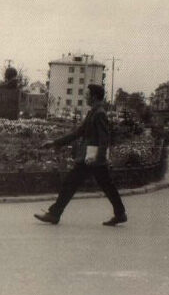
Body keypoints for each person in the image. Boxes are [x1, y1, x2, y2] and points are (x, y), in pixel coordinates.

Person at [34, 84, 127, 226]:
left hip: (92, 159)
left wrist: (99, 159)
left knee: (71, 183)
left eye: (87, 94)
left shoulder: (99, 113)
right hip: (91, 159)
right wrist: (55, 142)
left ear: (94, 96)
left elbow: (104, 138)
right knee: (105, 185)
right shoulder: (93, 112)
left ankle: (54, 214)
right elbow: (78, 133)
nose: (85, 97)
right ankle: (120, 214)